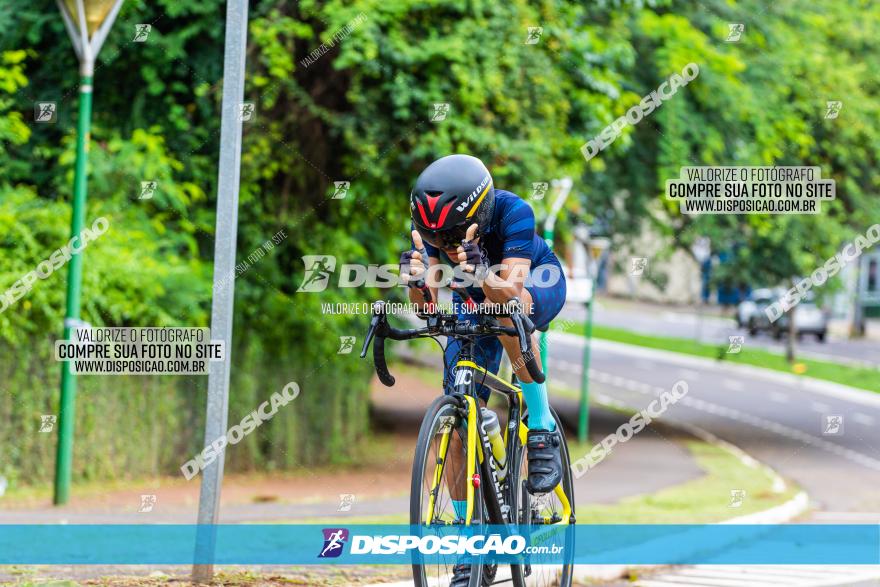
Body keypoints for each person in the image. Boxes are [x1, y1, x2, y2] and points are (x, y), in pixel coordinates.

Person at [400, 154, 568, 501]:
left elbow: (510, 293)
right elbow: (426, 308)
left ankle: (540, 427)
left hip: (534, 283)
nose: (445, 245)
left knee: (506, 312)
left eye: (453, 235)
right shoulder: (430, 231)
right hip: (475, 297)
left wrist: (481, 272)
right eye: (438, 238)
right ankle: (468, 543)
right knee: (457, 426)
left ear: (481, 212)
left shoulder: (515, 212)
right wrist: (416, 282)